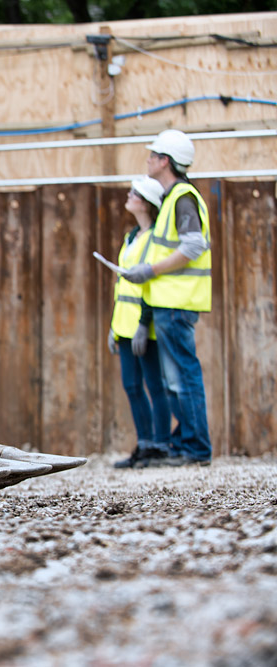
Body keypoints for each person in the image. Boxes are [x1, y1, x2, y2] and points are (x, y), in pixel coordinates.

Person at [121, 129, 212, 467]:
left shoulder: (182, 197)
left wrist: (152, 270)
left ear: (164, 161)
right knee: (176, 382)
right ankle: (183, 443)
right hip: (169, 304)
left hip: (177, 303)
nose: (147, 161)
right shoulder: (175, 197)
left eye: (151, 156)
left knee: (184, 379)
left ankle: (196, 449)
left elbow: (192, 246)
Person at [110, 177, 173, 468]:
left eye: (134, 193)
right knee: (132, 386)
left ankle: (160, 446)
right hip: (124, 324)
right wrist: (113, 326)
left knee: (154, 385)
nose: (129, 194)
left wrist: (144, 323)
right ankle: (145, 444)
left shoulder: (154, 239)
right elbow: (123, 285)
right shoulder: (132, 236)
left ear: (146, 202)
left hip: (143, 325)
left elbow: (152, 282)